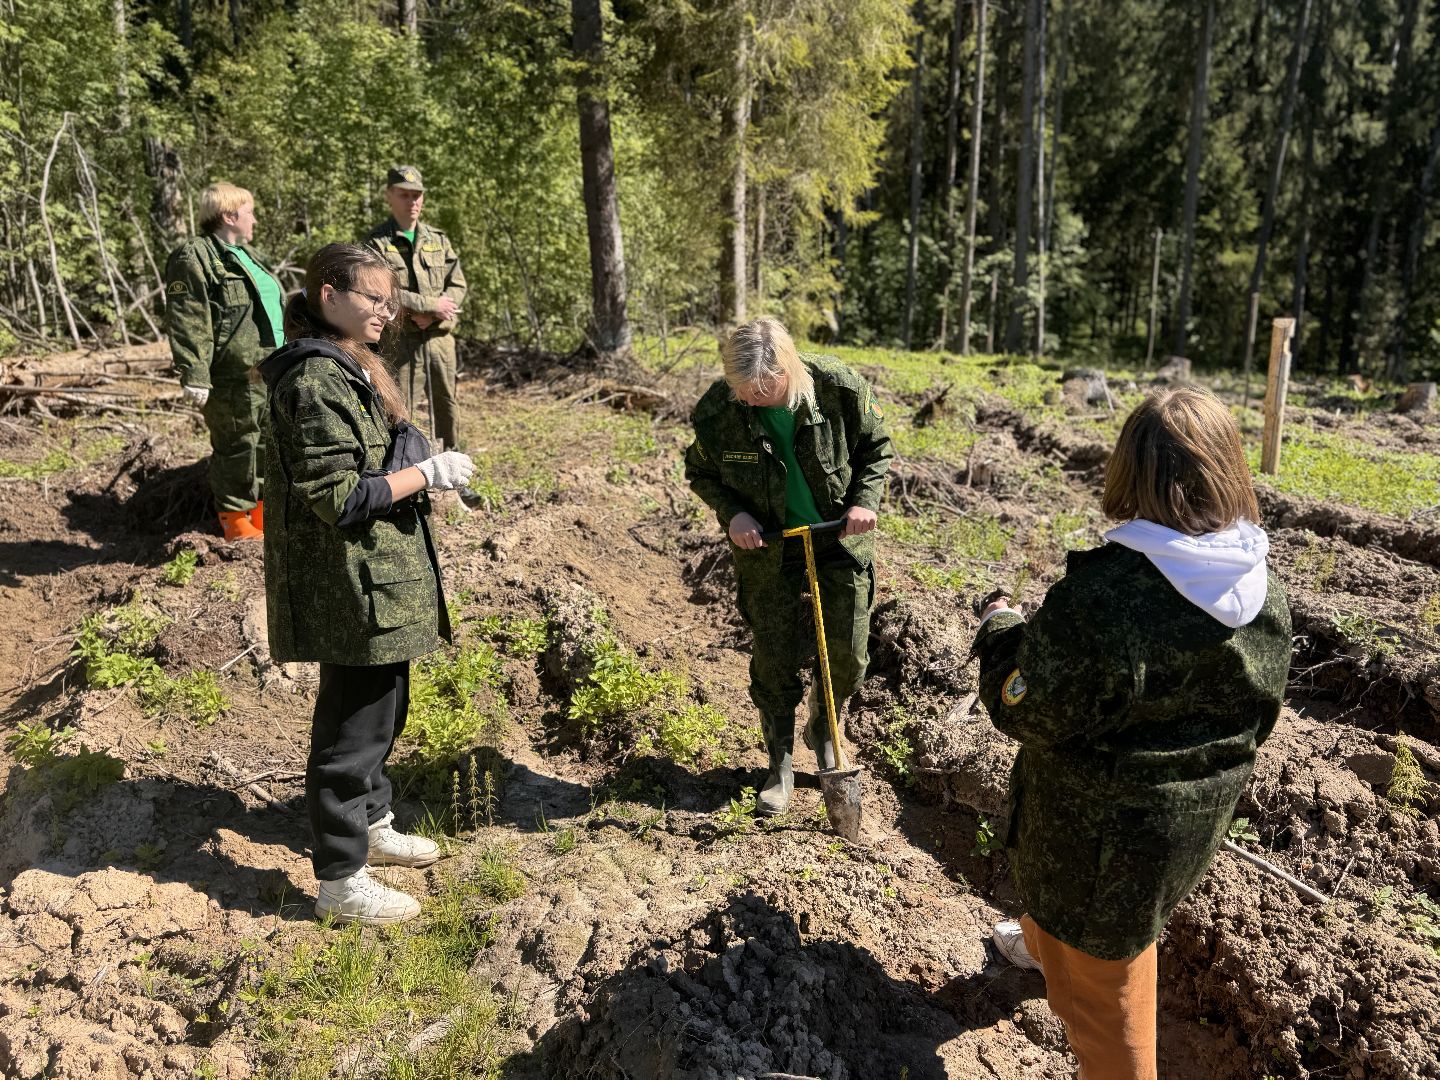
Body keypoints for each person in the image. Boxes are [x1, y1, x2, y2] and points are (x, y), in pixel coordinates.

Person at [973, 387, 1293, 1079]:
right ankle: (1037, 939)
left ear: (1130, 472)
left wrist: (1002, 628)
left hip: (1094, 845)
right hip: (1187, 830)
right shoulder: (1262, 587)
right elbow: (1260, 716)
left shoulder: (1103, 597)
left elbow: (1023, 709)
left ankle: (1067, 966)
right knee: (1108, 919)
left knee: (1108, 1013)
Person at [259, 242, 476, 926]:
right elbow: (336, 496)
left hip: (377, 581)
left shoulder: (350, 366)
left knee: (381, 713)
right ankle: (341, 881)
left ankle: (371, 822)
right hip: (347, 587)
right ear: (329, 295)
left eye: (390, 299)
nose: (387, 312)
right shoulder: (314, 381)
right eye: (373, 299)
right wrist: (428, 474)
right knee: (350, 731)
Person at [684, 317, 893, 815]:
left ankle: (824, 725)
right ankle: (777, 761)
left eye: (764, 389)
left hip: (837, 537)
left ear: (790, 368)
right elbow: (701, 471)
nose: (753, 399)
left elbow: (876, 448)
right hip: (767, 546)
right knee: (774, 654)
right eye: (744, 390)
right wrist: (733, 513)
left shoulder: (839, 389)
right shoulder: (718, 410)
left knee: (849, 653)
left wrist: (863, 500)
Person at [164, 182, 286, 540]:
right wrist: (194, 372)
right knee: (238, 443)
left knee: (268, 440)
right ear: (230, 215)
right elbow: (188, 318)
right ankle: (235, 521)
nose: (255, 220)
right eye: (250, 212)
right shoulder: (195, 257)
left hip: (268, 369)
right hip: (231, 375)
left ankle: (262, 514)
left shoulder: (250, 255)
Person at [363, 166, 468, 452]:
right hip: (401, 340)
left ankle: (452, 463)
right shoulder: (376, 243)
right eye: (404, 195)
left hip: (438, 338)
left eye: (417, 195)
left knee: (447, 403)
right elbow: (380, 289)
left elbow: (457, 285)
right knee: (399, 405)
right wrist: (430, 305)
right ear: (389, 196)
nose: (412, 202)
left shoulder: (437, 240)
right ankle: (401, 467)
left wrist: (433, 314)